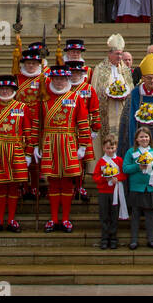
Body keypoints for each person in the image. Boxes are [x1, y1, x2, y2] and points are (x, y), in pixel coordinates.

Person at [39, 64, 91, 232]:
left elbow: (83, 123)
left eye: (62, 79)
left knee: (67, 182)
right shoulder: (44, 98)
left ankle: (66, 218)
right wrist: (34, 145)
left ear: (67, 79)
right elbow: (37, 123)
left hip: (69, 142)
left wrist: (83, 145)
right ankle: (54, 219)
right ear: (51, 79)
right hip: (49, 142)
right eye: (56, 79)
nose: (60, 82)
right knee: (53, 182)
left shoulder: (76, 98)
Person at [0, 74, 32, 231]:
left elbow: (28, 132)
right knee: (1, 186)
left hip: (16, 149)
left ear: (13, 90)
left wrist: (29, 153)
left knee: (14, 186)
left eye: (8, 89)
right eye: (2, 89)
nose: (5, 92)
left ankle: (11, 220)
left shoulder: (22, 108)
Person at [122, 125, 153, 249]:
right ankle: (134, 240)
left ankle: (151, 239)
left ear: (150, 138)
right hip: (136, 187)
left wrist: (151, 164)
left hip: (150, 186)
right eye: (141, 137)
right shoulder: (132, 152)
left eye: (146, 136)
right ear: (136, 139)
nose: (144, 139)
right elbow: (125, 168)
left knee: (149, 215)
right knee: (135, 214)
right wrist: (138, 167)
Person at [91, 34, 134, 152]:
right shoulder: (100, 69)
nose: (120, 57)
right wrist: (107, 94)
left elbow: (131, 89)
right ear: (109, 54)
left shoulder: (125, 70)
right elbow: (95, 91)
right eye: (117, 54)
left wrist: (126, 95)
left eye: (121, 54)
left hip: (122, 111)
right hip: (107, 112)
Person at [66, 57, 100, 203]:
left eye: (77, 73)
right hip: (67, 129)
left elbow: (94, 109)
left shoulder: (88, 89)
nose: (74, 75)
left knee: (82, 160)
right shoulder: (64, 88)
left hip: (84, 129)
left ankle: (80, 185)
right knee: (69, 159)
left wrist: (95, 128)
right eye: (72, 73)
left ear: (81, 73)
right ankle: (70, 185)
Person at [122, 53, 153, 153]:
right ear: (143, 78)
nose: (152, 81)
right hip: (139, 132)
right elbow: (130, 119)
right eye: (149, 78)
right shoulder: (135, 93)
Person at [16, 44, 46, 200]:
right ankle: (23, 185)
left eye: (34, 64)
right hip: (20, 122)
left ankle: (34, 186)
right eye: (28, 63)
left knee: (36, 156)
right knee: (21, 155)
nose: (31, 66)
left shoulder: (44, 79)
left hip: (38, 122)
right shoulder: (17, 78)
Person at [93, 132, 127, 250]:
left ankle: (113, 238)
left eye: (112, 148)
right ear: (103, 148)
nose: (110, 150)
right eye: (108, 148)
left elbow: (124, 174)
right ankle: (104, 238)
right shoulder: (101, 162)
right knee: (104, 215)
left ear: (116, 147)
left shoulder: (119, 160)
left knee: (114, 215)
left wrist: (118, 178)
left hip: (115, 192)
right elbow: (95, 177)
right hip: (103, 192)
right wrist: (104, 178)